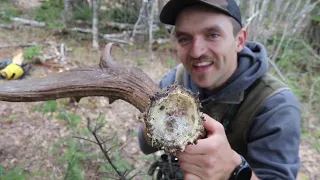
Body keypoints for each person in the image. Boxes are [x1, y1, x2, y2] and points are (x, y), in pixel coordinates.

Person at [138, 0, 301, 179]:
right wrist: (155, 126)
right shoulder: (176, 80)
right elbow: (144, 144)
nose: (196, 52)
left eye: (212, 35)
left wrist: (234, 171)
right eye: (184, 38)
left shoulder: (274, 104)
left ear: (239, 40)